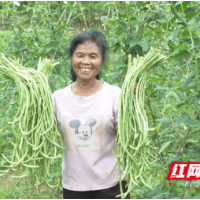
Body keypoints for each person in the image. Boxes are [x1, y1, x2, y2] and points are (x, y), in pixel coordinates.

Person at [52, 30, 130, 199]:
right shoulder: (58, 98)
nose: (86, 61)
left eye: (93, 56)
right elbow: (44, 134)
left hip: (112, 184)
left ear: (101, 61)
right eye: (80, 55)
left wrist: (133, 102)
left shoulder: (115, 95)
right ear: (72, 58)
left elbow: (129, 137)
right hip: (74, 185)